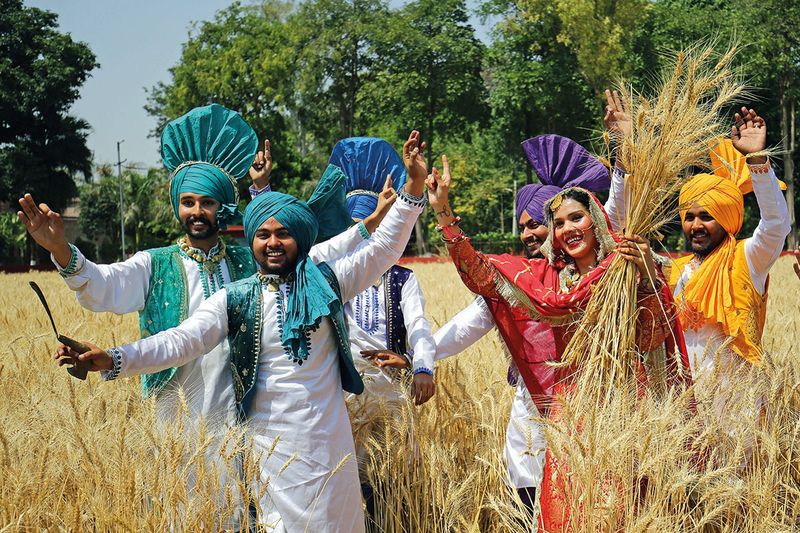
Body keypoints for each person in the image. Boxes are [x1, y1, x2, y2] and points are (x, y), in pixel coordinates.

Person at [55, 130, 430, 532]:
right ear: (251, 241)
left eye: (283, 233)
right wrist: (114, 358)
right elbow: (182, 340)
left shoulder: (329, 281)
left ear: (300, 239)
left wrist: (412, 187)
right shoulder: (237, 298)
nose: (272, 243)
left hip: (328, 446)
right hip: (269, 450)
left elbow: (386, 249)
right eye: (263, 235)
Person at [18, 104, 374, 426]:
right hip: (177, 413)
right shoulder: (154, 265)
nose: (197, 211)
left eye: (207, 202)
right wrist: (60, 248)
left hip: (245, 408)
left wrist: (262, 188)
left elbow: (289, 246)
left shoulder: (247, 260)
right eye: (188, 202)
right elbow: (101, 285)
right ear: (177, 207)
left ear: (222, 206)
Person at [425, 152, 689, 532]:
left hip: (624, 410)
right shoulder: (543, 278)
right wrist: (444, 213)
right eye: (560, 223)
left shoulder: (626, 270)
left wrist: (647, 277)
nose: (568, 229)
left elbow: (653, 334)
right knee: (567, 514)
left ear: (597, 220)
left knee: (625, 513)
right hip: (570, 417)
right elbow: (481, 274)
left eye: (576, 218)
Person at [432, 134, 611, 518]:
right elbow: (466, 322)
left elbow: (618, 213)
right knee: (529, 503)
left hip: (598, 410)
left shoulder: (604, 271)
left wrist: (627, 157)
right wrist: (419, 357)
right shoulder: (521, 279)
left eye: (539, 224)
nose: (528, 233)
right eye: (523, 226)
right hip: (533, 408)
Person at [604, 97, 791, 391]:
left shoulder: (748, 258)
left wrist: (756, 161)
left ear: (728, 217)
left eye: (707, 216)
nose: (696, 225)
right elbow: (615, 231)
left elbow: (776, 225)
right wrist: (624, 151)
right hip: (685, 412)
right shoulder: (673, 271)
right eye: (689, 217)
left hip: (739, 416)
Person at [326, 137, 436, 527]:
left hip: (390, 392)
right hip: (341, 393)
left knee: (390, 484)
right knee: (346, 482)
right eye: (359, 232)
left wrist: (418, 365)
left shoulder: (402, 279)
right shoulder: (332, 280)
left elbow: (419, 325)